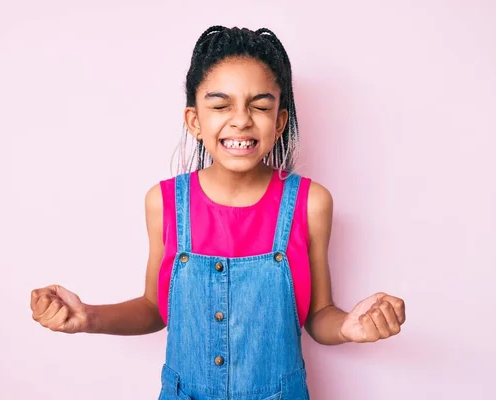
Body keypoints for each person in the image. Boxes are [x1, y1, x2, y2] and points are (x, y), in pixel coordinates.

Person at [30, 25, 406, 400]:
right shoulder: (163, 202)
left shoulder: (311, 203)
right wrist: (88, 317)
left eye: (260, 106)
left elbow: (318, 315)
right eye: (221, 105)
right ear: (195, 121)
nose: (241, 119)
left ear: (279, 122)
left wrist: (348, 327)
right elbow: (154, 309)